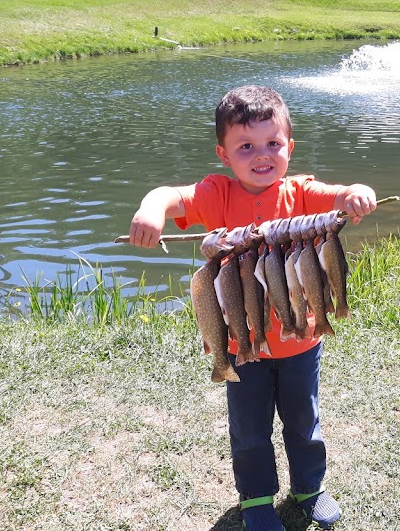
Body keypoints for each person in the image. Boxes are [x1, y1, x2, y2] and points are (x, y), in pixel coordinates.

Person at [127, 85, 377, 530]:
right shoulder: (215, 194)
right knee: (249, 432)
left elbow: (339, 195)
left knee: (304, 421)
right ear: (223, 154)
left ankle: (310, 488)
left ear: (289, 147)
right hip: (242, 344)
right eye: (246, 146)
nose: (262, 155)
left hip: (301, 340)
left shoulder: (300, 193)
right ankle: (257, 499)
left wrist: (357, 192)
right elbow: (169, 194)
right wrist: (151, 209)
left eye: (272, 144)